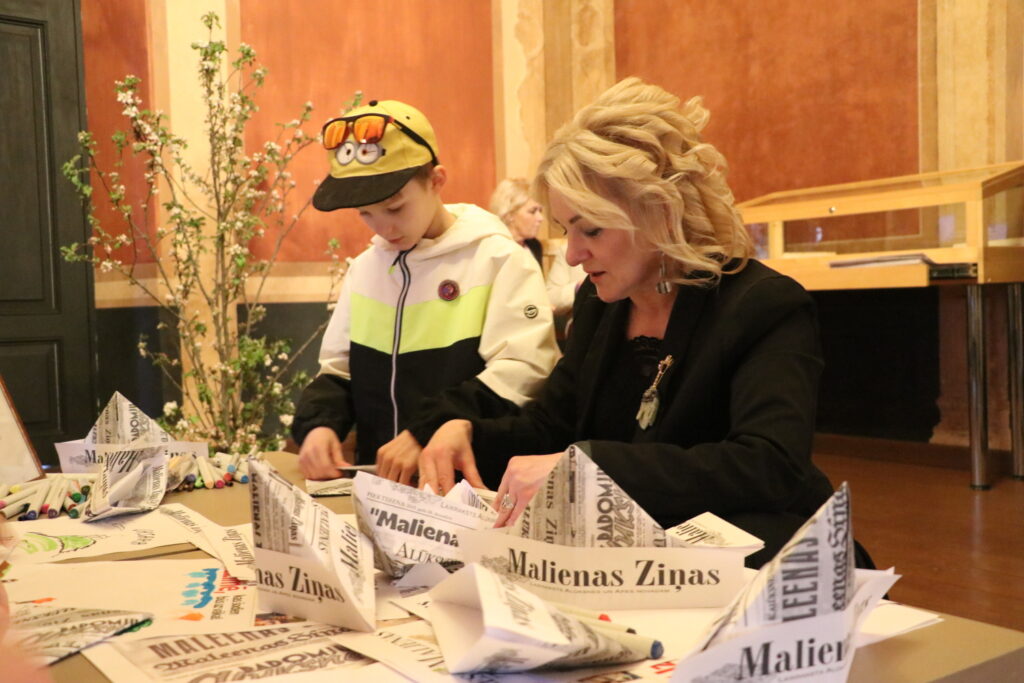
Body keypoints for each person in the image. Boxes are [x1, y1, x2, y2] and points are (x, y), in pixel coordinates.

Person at [417, 77, 849, 568]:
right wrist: (469, 434)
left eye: (591, 230)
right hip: (637, 561)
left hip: (762, 558)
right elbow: (553, 425)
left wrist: (589, 469)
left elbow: (768, 465)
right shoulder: (600, 303)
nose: (573, 254)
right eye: (565, 230)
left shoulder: (763, 305)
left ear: (659, 212)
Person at [292, 99, 559, 485]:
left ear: (436, 181)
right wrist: (320, 424)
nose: (383, 227)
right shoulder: (365, 269)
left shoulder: (498, 258)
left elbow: (525, 370)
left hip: (471, 489)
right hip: (382, 489)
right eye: (366, 213)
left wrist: (426, 430)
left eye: (395, 208)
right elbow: (338, 372)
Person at [490, 178, 585, 315]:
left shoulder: (534, 246)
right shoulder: (495, 250)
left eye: (540, 211)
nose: (540, 218)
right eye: (533, 211)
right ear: (510, 215)